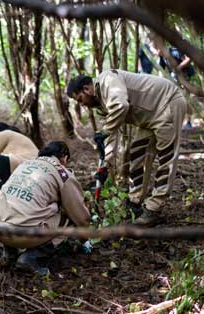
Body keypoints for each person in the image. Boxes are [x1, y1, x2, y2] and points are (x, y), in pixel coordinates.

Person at [67, 70, 186, 226]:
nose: (82, 105)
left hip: (167, 103)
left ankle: (154, 209)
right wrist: (105, 166)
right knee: (137, 153)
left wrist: (104, 131)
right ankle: (135, 203)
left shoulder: (108, 79)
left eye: (80, 99)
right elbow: (111, 135)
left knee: (166, 157)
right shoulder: (101, 106)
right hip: (149, 117)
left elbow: (121, 106)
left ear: (87, 89)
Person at [0, 141, 91, 275]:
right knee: (69, 220)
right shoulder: (62, 173)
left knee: (16, 206)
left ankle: (10, 252)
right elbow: (81, 218)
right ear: (64, 158)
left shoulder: (25, 164)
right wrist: (85, 240)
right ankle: (31, 258)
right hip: (22, 234)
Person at [0, 122, 38, 192]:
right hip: (35, 168)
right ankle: (3, 185)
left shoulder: (3, 134)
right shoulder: (17, 136)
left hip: (25, 165)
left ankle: (4, 186)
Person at [159, 46, 195, 130]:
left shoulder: (174, 51)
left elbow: (189, 59)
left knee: (186, 98)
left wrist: (178, 68)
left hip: (185, 76)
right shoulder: (161, 56)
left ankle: (189, 122)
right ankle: (176, 122)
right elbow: (162, 69)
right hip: (174, 78)